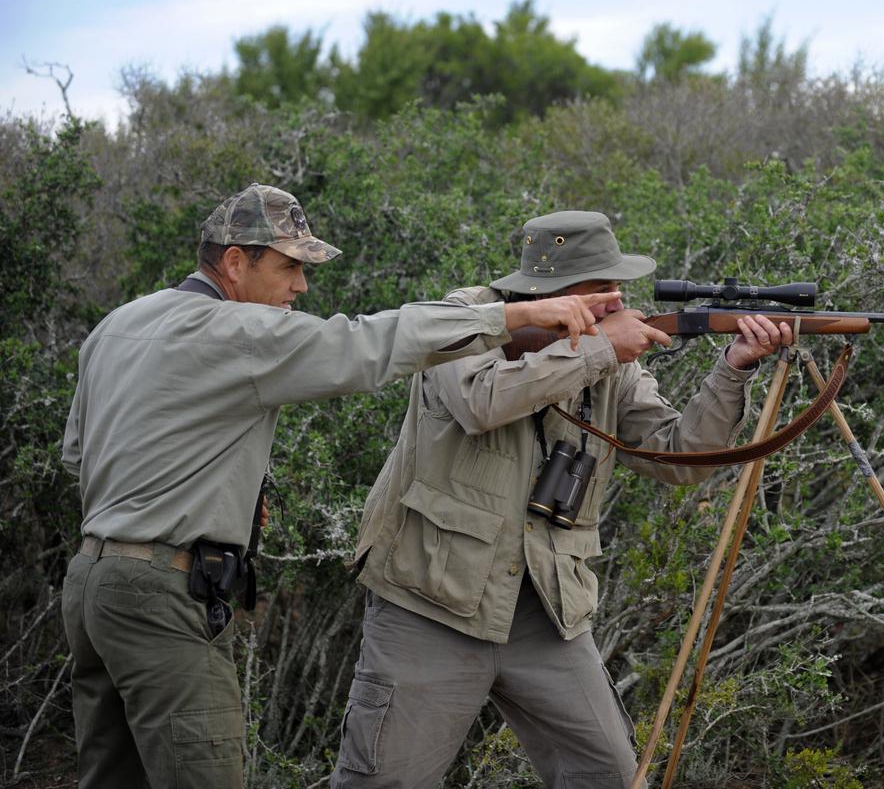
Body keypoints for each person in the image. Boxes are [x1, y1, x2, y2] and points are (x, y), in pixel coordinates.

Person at [60, 184, 613, 789]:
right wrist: (512, 316)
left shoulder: (116, 325)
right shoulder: (237, 329)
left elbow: (77, 455)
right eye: (290, 266)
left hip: (91, 586)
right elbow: (364, 345)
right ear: (236, 262)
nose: (300, 287)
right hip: (164, 596)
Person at [334, 210, 792, 788]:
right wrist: (599, 348)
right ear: (551, 291)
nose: (616, 298)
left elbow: (675, 454)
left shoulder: (606, 349)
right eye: (601, 287)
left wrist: (733, 370)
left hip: (546, 610)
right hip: (429, 602)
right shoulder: (462, 318)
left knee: (609, 776)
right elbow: (481, 401)